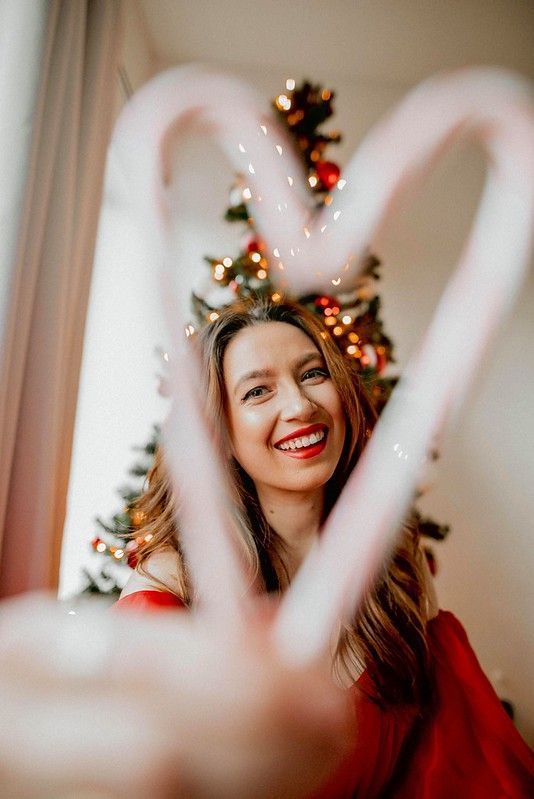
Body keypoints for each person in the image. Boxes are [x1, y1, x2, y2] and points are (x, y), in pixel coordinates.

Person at [116, 297, 533, 797]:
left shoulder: (398, 576)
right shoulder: (171, 588)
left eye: (313, 374)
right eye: (257, 391)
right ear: (218, 433)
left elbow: (460, 771)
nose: (299, 406)